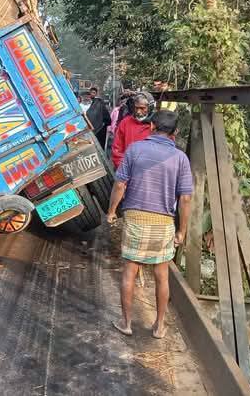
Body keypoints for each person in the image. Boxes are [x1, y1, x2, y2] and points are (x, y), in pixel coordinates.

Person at [106, 111, 193, 339]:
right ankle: (159, 326)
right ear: (175, 132)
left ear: (152, 126)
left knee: (129, 273)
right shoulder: (180, 158)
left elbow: (120, 185)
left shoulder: (135, 149)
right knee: (161, 275)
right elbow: (185, 199)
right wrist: (182, 231)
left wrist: (112, 211)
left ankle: (126, 323)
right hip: (163, 222)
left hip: (135, 219)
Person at [111, 92, 154, 168]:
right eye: (136, 108)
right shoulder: (125, 122)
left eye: (142, 108)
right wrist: (122, 167)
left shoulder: (156, 124)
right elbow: (117, 148)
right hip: (126, 169)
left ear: (150, 107)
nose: (138, 111)